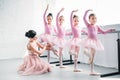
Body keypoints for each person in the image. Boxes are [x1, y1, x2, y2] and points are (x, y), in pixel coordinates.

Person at [83, 9, 115, 75]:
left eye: (95, 18)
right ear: (89, 20)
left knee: (93, 56)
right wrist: (87, 11)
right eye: (92, 18)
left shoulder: (97, 26)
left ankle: (91, 71)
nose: (94, 20)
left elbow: (103, 32)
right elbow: (84, 18)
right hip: (89, 40)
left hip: (95, 42)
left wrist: (110, 30)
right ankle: (89, 57)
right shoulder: (88, 25)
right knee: (85, 51)